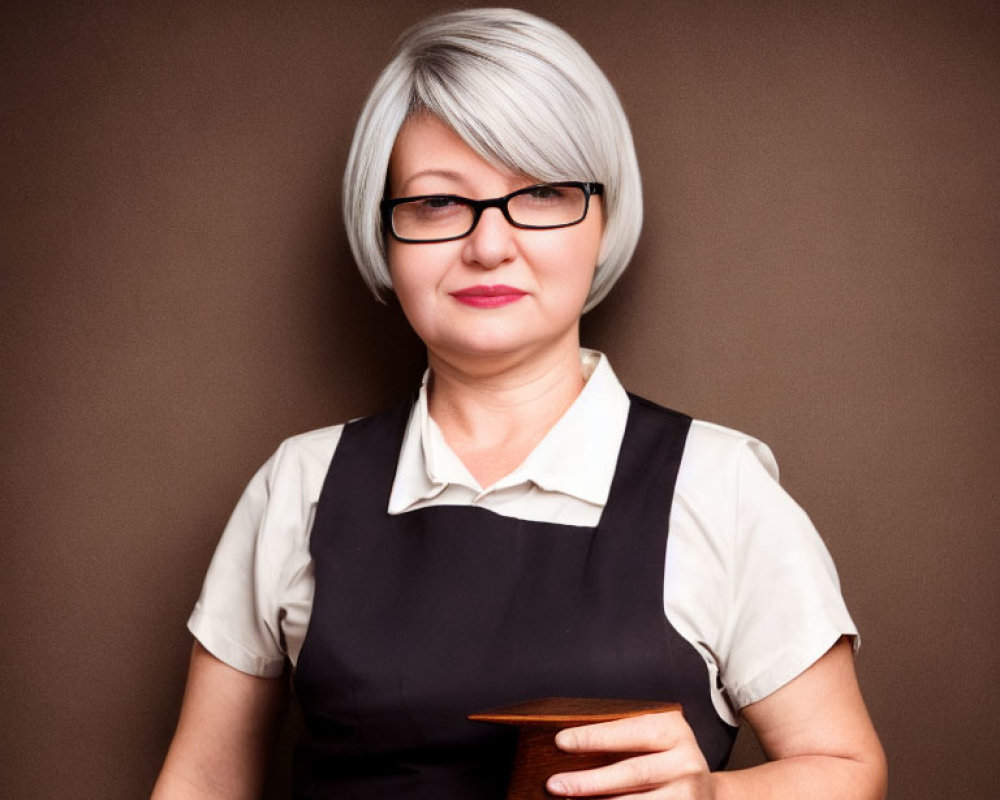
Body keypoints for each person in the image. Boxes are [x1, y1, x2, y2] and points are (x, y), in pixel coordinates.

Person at [152, 8, 887, 799]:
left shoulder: (721, 485)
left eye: (539, 193)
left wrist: (713, 795)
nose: (489, 245)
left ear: (602, 221)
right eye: (437, 202)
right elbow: (202, 778)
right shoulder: (300, 484)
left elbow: (848, 770)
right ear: (385, 235)